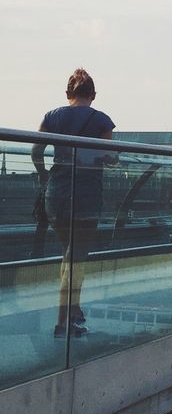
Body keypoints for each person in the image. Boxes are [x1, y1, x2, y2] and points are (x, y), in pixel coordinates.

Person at [31, 68, 116, 338]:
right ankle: (62, 322)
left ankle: (74, 311)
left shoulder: (51, 116)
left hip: (56, 193)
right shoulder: (101, 120)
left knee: (68, 254)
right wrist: (108, 159)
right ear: (93, 94)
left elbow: (36, 151)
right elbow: (109, 156)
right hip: (86, 195)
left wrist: (45, 176)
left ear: (68, 93)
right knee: (76, 259)